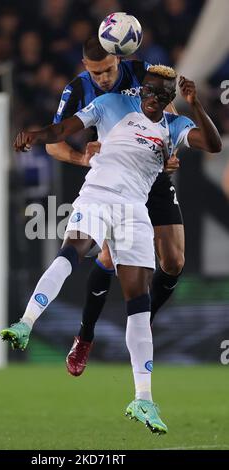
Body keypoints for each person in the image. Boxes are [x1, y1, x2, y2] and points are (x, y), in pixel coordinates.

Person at [1, 66, 221, 434]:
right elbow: (62, 130)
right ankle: (25, 324)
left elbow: (213, 145)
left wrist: (196, 105)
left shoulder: (174, 125)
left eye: (162, 96)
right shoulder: (111, 103)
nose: (153, 99)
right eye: (148, 92)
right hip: (98, 196)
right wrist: (34, 136)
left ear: (170, 100)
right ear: (140, 89)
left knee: (139, 301)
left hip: (135, 210)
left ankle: (144, 399)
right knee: (74, 250)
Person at [46, 36, 181, 377]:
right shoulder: (77, 89)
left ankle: (141, 321)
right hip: (116, 181)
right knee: (107, 258)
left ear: (120, 58)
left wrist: (171, 150)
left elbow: (169, 109)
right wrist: (84, 159)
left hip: (153, 176)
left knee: (175, 261)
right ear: (85, 68)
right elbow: (52, 144)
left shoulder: (142, 72)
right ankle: (85, 336)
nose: (103, 78)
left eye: (107, 70)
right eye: (96, 73)